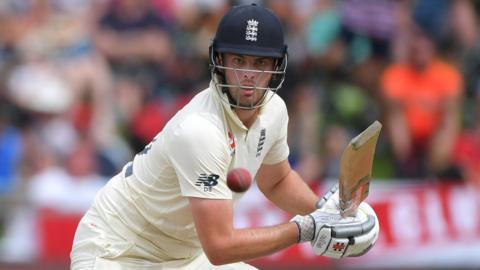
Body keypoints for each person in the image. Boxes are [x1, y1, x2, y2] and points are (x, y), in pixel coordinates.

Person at [70, 4, 379, 269]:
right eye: (238, 60)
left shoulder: (274, 111)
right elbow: (219, 246)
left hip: (182, 256)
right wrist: (307, 229)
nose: (248, 74)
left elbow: (277, 180)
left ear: (276, 66)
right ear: (220, 60)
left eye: (259, 63)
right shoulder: (200, 131)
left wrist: (325, 211)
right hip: (116, 251)